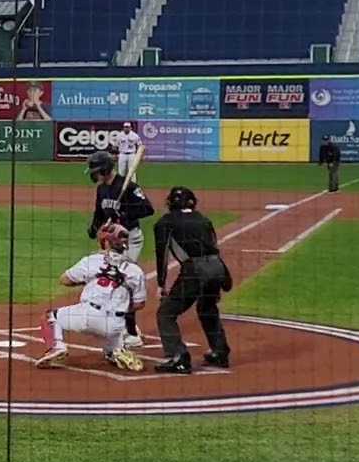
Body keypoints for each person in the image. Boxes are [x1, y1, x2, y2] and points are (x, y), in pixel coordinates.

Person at [35, 221, 147, 372]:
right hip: (115, 326)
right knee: (113, 343)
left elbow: (64, 280)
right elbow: (139, 304)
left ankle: (56, 347)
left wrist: (88, 282)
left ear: (107, 241)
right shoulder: (136, 271)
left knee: (49, 316)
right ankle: (114, 351)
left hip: (87, 317)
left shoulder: (92, 261)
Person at [152, 186, 234, 374]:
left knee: (166, 313)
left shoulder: (165, 222)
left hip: (195, 269)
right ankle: (220, 352)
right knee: (207, 308)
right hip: (217, 267)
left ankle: (177, 356)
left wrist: (161, 284)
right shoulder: (204, 219)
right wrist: (224, 277)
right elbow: (214, 248)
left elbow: (161, 253)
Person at [85, 150, 155, 348]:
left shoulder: (128, 186)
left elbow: (147, 208)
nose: (93, 174)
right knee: (113, 279)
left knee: (123, 280)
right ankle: (121, 325)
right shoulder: (102, 189)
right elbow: (99, 212)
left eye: (96, 171)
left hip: (130, 238)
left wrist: (124, 211)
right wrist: (93, 227)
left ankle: (132, 332)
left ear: (105, 169)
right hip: (112, 240)